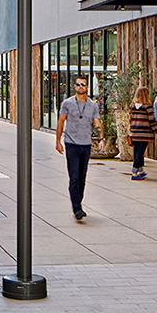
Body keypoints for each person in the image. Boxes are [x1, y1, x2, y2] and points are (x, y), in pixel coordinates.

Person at [56, 76, 101, 221]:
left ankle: (78, 202)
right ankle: (77, 208)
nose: (80, 86)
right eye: (78, 84)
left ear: (87, 87)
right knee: (74, 177)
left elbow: (97, 122)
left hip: (86, 145)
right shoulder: (67, 103)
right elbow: (61, 121)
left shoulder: (93, 105)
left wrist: (101, 138)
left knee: (82, 178)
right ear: (74, 86)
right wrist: (58, 141)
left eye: (83, 84)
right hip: (71, 144)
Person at [128, 86, 157, 181]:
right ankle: (134, 172)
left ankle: (140, 170)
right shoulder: (147, 106)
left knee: (137, 152)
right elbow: (151, 119)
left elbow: (130, 119)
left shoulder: (132, 105)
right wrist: (155, 129)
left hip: (135, 133)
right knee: (140, 153)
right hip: (145, 133)